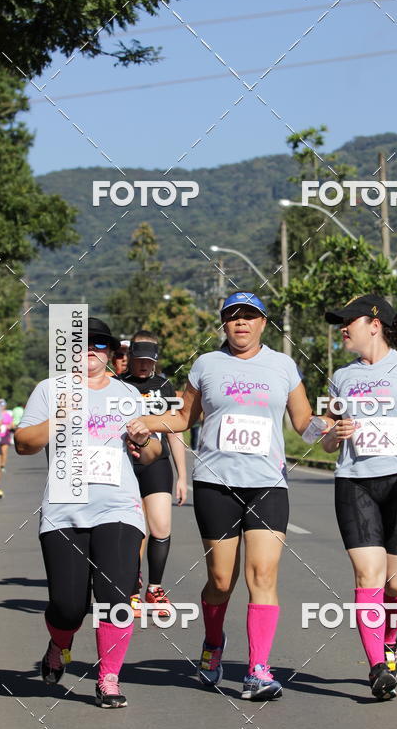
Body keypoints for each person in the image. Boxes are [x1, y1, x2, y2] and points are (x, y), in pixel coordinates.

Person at [127, 292, 332, 701]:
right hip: (216, 484)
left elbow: (303, 421)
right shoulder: (206, 365)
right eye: (233, 316)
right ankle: (213, 643)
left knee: (263, 576)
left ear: (263, 323)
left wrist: (326, 428)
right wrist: (144, 421)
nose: (241, 322)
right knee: (221, 581)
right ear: (224, 324)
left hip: (267, 484)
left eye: (249, 316)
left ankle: (258, 670)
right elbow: (184, 417)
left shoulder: (283, 366)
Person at [15, 317, 161, 708]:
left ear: (111, 353)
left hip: (118, 507)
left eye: (99, 344)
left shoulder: (127, 394)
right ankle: (59, 644)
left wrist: (143, 438)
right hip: (64, 509)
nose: (90, 351)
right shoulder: (49, 390)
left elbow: (152, 453)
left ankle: (108, 678)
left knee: (115, 596)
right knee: (68, 606)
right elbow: (23, 443)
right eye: (81, 344)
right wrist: (59, 418)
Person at [322, 294, 397, 701]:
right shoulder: (341, 377)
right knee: (368, 576)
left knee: (395, 585)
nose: (343, 329)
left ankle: (390, 639)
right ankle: (377, 666)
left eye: (349, 321)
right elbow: (325, 439)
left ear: (375, 324)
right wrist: (333, 434)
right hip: (355, 482)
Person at [122, 331, 187, 617]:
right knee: (135, 531)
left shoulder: (164, 386)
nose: (144, 365)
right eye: (139, 360)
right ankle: (131, 589)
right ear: (130, 357)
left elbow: (175, 431)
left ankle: (155, 588)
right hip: (126, 464)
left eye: (149, 361)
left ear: (156, 361)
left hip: (157, 464)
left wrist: (182, 476)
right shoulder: (117, 385)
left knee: (161, 528)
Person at [0, 399, 13, 470]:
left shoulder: (8, 415)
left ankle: (2, 466)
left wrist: (8, 426)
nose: (1, 406)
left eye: (3, 405)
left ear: (5, 406)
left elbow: (12, 425)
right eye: (0, 405)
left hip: (5, 435)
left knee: (4, 451)